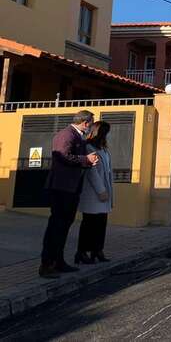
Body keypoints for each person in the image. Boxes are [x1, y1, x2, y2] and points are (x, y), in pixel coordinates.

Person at [39, 110, 99, 278]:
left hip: (71, 189)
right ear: (85, 123)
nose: (91, 127)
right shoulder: (67, 135)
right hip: (62, 188)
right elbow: (63, 156)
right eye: (91, 123)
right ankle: (47, 264)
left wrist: (88, 162)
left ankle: (58, 261)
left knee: (64, 226)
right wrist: (85, 159)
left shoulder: (78, 136)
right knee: (57, 226)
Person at [76, 121, 113, 264]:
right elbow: (91, 172)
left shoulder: (103, 149)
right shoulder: (89, 148)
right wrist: (101, 190)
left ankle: (97, 250)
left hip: (104, 191)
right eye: (105, 133)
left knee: (101, 223)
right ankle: (82, 252)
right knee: (89, 224)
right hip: (93, 193)